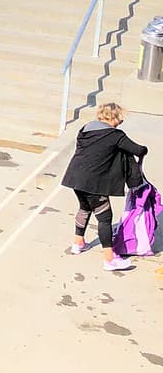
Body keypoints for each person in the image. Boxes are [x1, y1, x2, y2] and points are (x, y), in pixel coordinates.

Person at [61, 103, 147, 272]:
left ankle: (78, 243)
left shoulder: (85, 129)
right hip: (94, 182)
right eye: (120, 117)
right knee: (104, 218)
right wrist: (144, 150)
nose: (121, 121)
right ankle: (110, 259)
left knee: (84, 208)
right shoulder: (116, 136)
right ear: (113, 117)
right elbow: (137, 149)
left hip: (75, 178)